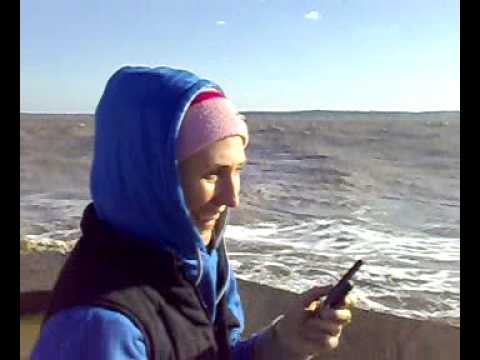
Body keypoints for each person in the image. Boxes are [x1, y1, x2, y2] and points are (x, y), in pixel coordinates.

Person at [31, 66, 355, 360]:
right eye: (213, 174)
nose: (233, 198)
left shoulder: (196, 260)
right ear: (151, 178)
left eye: (238, 170)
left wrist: (283, 343)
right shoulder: (99, 330)